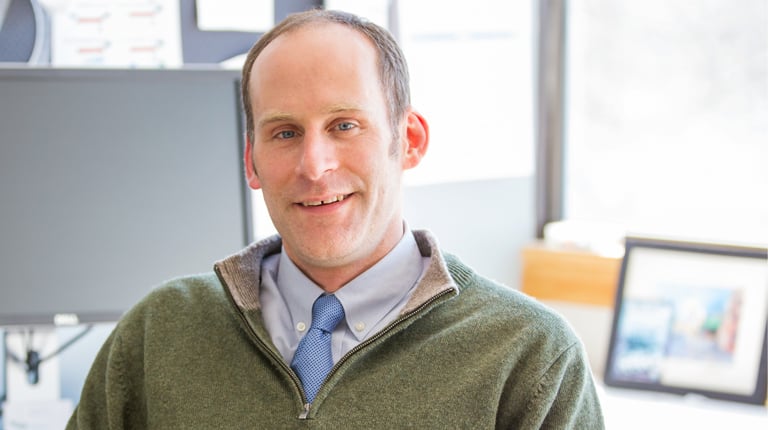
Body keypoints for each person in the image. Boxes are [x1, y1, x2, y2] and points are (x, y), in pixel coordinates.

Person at [67, 9, 604, 429]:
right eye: (284, 132)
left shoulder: (529, 355)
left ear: (409, 140)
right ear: (251, 161)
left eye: (345, 125)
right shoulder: (160, 332)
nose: (315, 166)